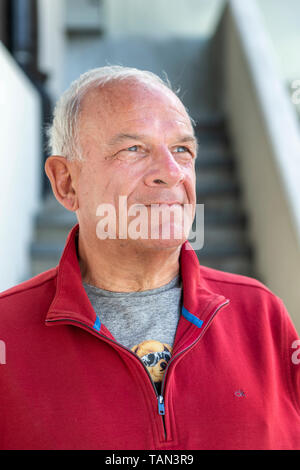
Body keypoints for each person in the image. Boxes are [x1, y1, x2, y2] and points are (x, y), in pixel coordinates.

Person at [0, 66, 299, 450]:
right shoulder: (7, 333)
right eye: (134, 149)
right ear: (66, 182)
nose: (171, 173)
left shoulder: (262, 315)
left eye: (181, 149)